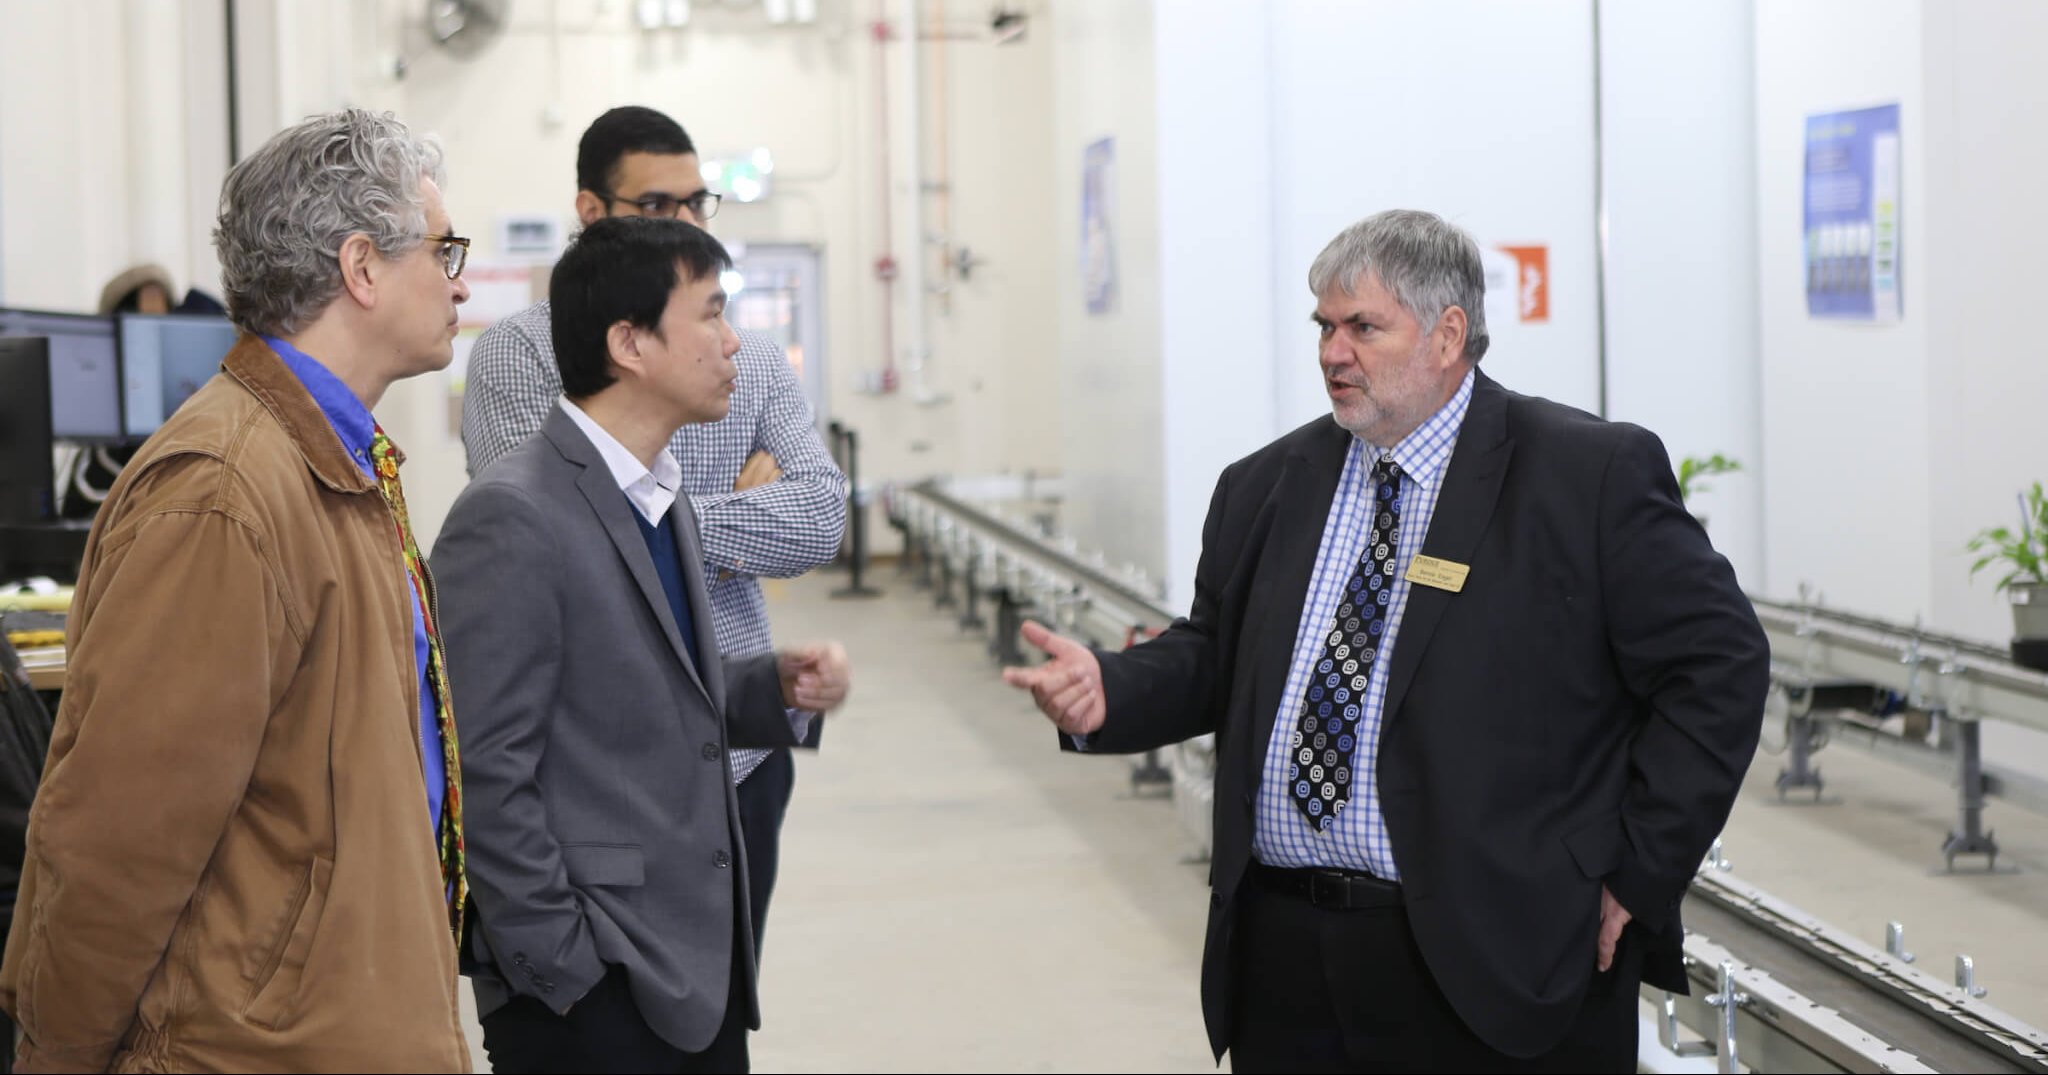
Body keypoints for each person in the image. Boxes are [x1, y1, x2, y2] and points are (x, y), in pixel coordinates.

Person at [1003, 209, 1769, 1072]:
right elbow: (1220, 654)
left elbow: (1721, 664)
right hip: (1287, 962)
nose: (1334, 352)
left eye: (1363, 326)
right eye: (1324, 326)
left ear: (1448, 335)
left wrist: (1639, 866)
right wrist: (1113, 689)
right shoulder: (1266, 486)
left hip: (1493, 958)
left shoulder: (1582, 476)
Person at [0, 108, 475, 1072]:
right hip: (250, 1046)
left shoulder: (334, 461)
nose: (459, 278)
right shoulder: (223, 494)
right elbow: (120, 836)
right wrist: (58, 1056)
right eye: (443, 248)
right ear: (363, 267)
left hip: (340, 1021)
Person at [435, 215, 851, 1074]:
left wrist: (770, 687)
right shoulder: (514, 515)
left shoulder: (659, 494)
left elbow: (633, 690)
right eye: (710, 315)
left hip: (688, 968)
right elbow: (483, 768)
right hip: (594, 991)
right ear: (630, 343)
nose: (735, 343)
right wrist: (563, 967)